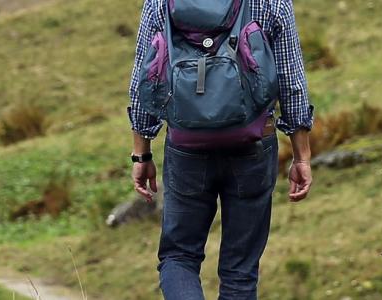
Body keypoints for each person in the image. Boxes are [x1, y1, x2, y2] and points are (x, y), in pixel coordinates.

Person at [126, 0, 314, 298]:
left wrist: (142, 153)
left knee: (179, 258)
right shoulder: (272, 2)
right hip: (253, 144)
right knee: (240, 272)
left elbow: (144, 79)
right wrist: (301, 155)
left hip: (187, 145)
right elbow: (291, 82)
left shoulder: (159, 3)